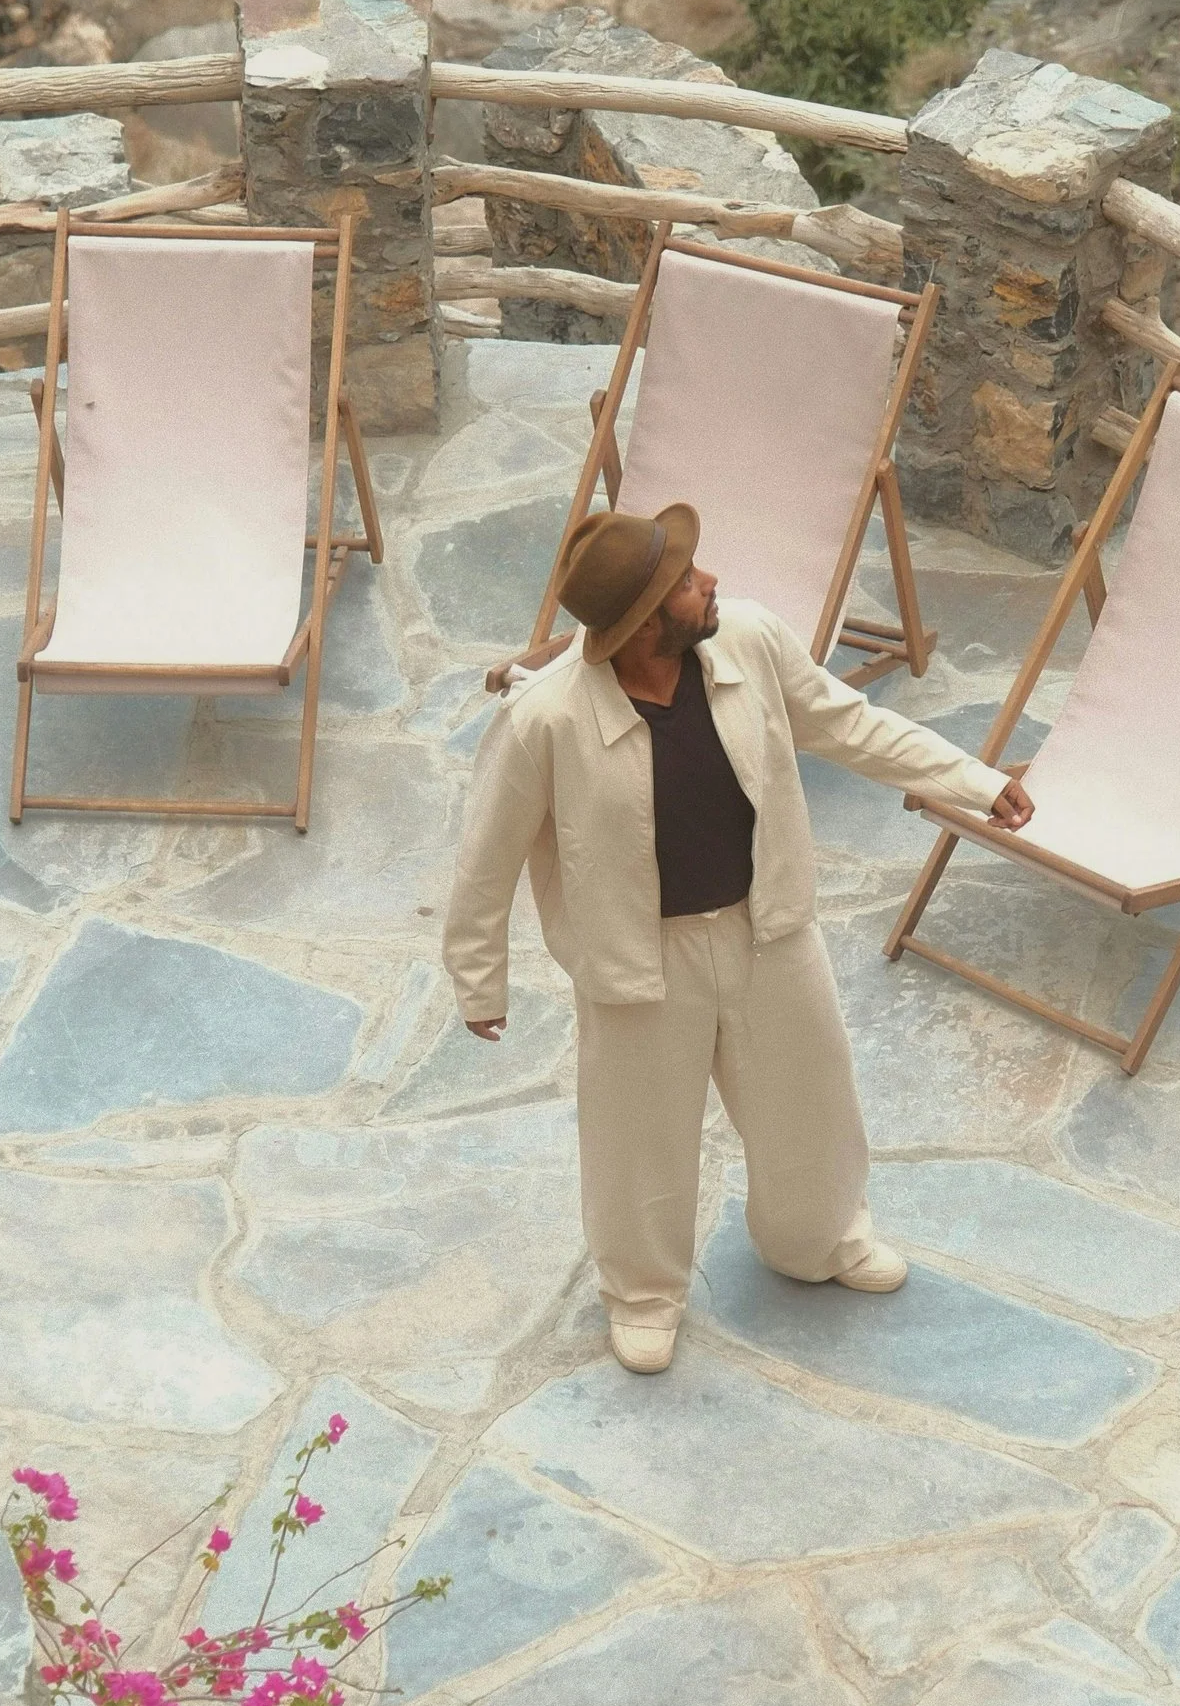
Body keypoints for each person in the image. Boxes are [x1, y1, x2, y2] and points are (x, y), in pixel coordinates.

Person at [443, 500, 1035, 1373]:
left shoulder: (748, 641)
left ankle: (821, 1241)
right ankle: (643, 1295)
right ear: (646, 623)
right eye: (686, 582)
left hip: (769, 931)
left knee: (811, 1103)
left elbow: (850, 723)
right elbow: (484, 861)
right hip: (638, 961)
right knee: (637, 1140)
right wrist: (478, 984)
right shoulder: (547, 718)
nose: (709, 582)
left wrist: (973, 781)